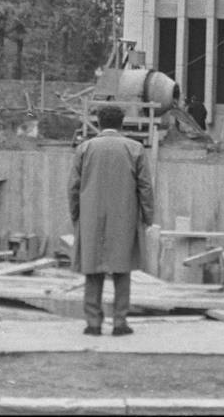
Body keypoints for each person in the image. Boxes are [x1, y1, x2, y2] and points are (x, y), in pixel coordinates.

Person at [68, 105, 154, 337]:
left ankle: (93, 323)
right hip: (124, 216)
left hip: (91, 216)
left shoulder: (85, 148)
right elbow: (145, 187)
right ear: (122, 122)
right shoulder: (134, 148)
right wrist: (148, 216)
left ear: (98, 121)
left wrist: (76, 214)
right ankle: (119, 322)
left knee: (92, 270)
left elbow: (73, 187)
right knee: (122, 270)